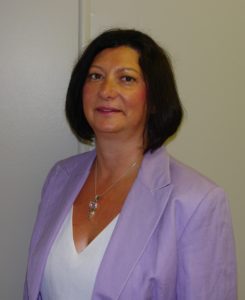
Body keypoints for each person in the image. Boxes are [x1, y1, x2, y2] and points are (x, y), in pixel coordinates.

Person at [24, 29, 237, 300]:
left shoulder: (196, 202)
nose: (106, 91)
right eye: (95, 76)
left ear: (155, 99)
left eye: (126, 79)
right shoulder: (59, 178)